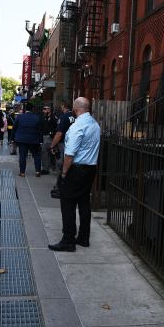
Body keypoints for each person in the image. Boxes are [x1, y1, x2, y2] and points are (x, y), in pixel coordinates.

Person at [48, 97, 101, 252]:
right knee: (84, 203)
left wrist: (64, 173)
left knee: (68, 204)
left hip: (76, 169)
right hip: (90, 169)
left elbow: (70, 154)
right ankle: (84, 237)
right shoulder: (94, 124)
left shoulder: (78, 126)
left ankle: (68, 240)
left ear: (75, 108)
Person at [49, 101, 75, 199]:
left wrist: (52, 145)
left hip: (65, 143)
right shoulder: (76, 117)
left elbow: (59, 133)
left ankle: (60, 186)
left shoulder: (63, 117)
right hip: (76, 144)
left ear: (63, 107)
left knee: (61, 165)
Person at [13, 102, 42, 177]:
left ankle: (22, 172)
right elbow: (40, 130)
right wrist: (40, 140)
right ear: (32, 109)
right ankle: (38, 171)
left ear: (25, 109)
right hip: (34, 139)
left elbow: (14, 128)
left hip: (22, 140)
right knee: (36, 155)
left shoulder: (20, 117)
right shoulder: (37, 117)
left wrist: (12, 139)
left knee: (22, 155)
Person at [40, 105, 59, 175]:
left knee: (45, 152)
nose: (44, 110)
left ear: (49, 109)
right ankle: (50, 167)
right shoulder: (44, 117)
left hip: (50, 137)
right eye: (43, 109)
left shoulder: (53, 117)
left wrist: (52, 134)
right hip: (45, 136)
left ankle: (46, 169)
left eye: (45, 109)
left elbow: (56, 127)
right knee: (48, 152)